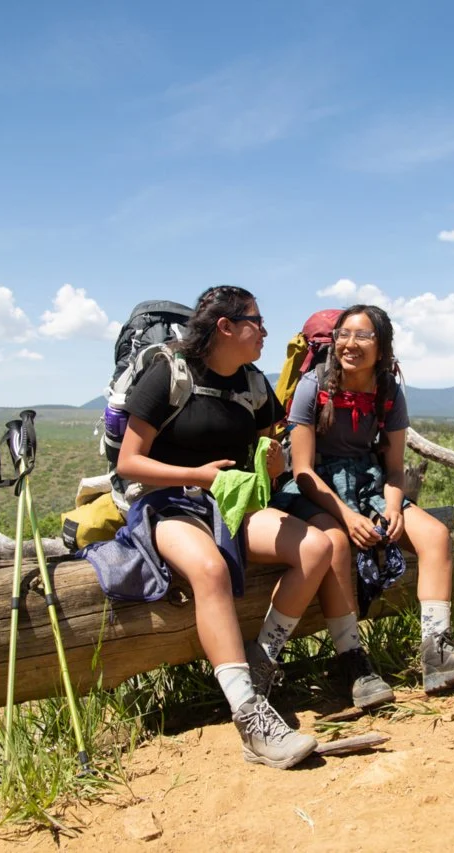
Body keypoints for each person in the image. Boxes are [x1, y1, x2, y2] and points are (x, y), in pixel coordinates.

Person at [111, 285, 333, 769]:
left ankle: (260, 666)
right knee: (208, 569)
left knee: (316, 549)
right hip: (164, 501)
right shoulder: (166, 373)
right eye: (255, 321)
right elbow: (130, 462)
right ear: (225, 327)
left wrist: (271, 466)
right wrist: (199, 475)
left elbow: (260, 462)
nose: (266, 331)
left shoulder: (252, 383)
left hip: (230, 502)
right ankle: (251, 720)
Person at [272, 304, 454, 709]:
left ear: (383, 346)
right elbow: (303, 470)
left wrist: (393, 508)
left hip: (368, 482)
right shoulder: (313, 385)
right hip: (315, 487)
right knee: (338, 545)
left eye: (363, 336)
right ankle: (353, 663)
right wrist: (347, 517)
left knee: (434, 535)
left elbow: (394, 469)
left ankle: (438, 652)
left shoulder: (387, 390)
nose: (350, 344)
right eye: (344, 334)